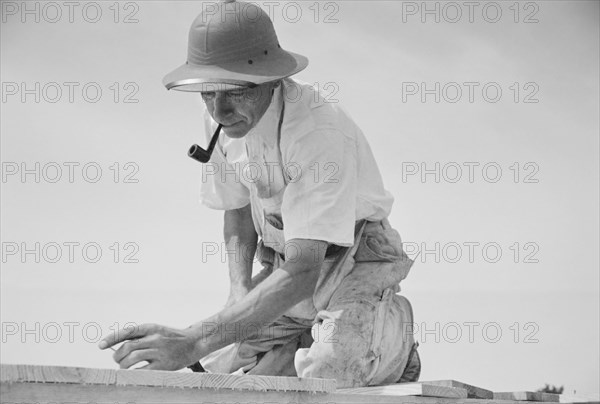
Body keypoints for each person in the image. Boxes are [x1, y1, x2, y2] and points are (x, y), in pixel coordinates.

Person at [99, 0, 421, 388]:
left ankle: (392, 341)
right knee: (217, 366)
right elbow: (236, 209)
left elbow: (304, 272)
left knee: (330, 374)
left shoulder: (318, 133)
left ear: (271, 78)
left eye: (234, 90)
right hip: (288, 262)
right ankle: (300, 340)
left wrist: (192, 340)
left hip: (355, 262)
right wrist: (238, 291)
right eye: (207, 93)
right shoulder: (223, 121)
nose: (219, 110)